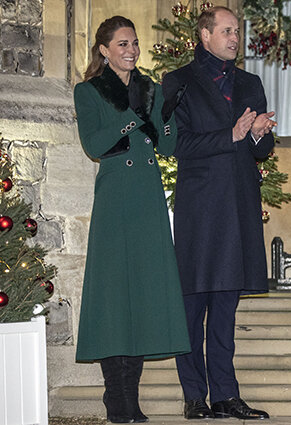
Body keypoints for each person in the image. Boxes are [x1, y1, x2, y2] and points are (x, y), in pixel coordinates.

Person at [74, 15, 190, 423]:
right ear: (104, 50)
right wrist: (130, 116)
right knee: (113, 295)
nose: (132, 50)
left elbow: (169, 146)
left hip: (146, 195)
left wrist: (169, 112)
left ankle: (131, 398)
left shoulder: (150, 89)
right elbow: (94, 144)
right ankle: (115, 396)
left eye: (135, 43)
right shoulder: (87, 91)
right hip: (115, 196)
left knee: (141, 292)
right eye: (123, 44)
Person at [162, 6, 275, 420]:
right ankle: (195, 396)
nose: (235, 37)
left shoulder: (249, 82)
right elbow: (175, 146)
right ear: (205, 35)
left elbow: (261, 150)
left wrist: (260, 134)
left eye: (237, 31)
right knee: (192, 307)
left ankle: (226, 395)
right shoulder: (178, 82)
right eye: (227, 30)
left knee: (225, 308)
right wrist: (231, 134)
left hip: (238, 204)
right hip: (200, 208)